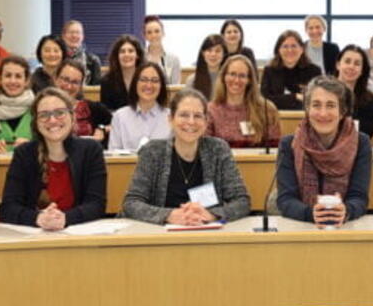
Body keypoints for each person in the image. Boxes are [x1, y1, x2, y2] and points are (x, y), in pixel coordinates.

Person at [121, 89, 250, 225]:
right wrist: (169, 215)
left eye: (198, 116)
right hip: (161, 236)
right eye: (184, 115)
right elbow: (131, 203)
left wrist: (212, 215)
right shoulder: (153, 152)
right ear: (171, 119)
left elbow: (242, 201)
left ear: (206, 121)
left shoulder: (218, 149)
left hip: (206, 234)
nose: (191, 122)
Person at [0, 87, 107, 229]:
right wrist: (39, 218)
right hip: (33, 239)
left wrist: (65, 218)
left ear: (72, 117)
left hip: (77, 238)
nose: (52, 120)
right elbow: (8, 207)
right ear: (36, 122)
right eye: (44, 115)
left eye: (59, 113)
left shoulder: (91, 150)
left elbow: (96, 205)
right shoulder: (23, 154)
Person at [276, 76, 372, 227]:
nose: (323, 113)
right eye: (316, 105)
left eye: (331, 105)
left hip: (344, 227)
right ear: (307, 109)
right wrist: (311, 214)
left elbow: (359, 197)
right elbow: (285, 199)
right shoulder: (289, 144)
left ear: (342, 111)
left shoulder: (361, 143)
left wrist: (345, 211)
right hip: (301, 226)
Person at [207, 55, 280, 148]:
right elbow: (206, 150)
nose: (236, 80)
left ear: (249, 80)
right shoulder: (210, 110)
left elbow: (275, 148)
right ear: (223, 77)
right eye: (232, 74)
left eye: (242, 76)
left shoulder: (267, 109)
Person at [108, 62, 170, 152]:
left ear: (161, 86)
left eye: (155, 80)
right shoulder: (120, 117)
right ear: (135, 83)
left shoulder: (171, 117)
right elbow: (113, 156)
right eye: (143, 80)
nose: (149, 85)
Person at [261, 30, 321, 111]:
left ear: (302, 49)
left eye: (294, 46)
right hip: (275, 117)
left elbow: (316, 100)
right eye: (285, 46)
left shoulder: (314, 71)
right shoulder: (269, 70)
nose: (290, 50)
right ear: (278, 50)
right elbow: (264, 100)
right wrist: (295, 97)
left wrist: (279, 99)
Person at [54, 60, 111, 144]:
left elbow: (119, 124)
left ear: (80, 86)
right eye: (65, 79)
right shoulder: (42, 108)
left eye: (75, 82)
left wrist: (102, 129)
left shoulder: (93, 108)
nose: (69, 86)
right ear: (56, 79)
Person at [334, 45, 373, 138]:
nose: (351, 67)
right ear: (338, 65)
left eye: (357, 64)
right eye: (347, 61)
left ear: (362, 70)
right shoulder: (322, 93)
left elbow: (367, 132)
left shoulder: (370, 100)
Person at [100, 34, 145, 111]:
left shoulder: (146, 79)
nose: (126, 54)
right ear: (117, 56)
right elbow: (107, 112)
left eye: (130, 51)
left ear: (137, 55)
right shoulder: (107, 81)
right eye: (122, 51)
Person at [185, 34, 227, 100]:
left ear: (224, 54)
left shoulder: (228, 79)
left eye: (217, 51)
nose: (213, 54)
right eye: (209, 50)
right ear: (203, 53)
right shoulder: (192, 80)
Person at [61, 20, 102, 85]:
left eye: (78, 33)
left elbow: (96, 89)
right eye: (71, 32)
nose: (74, 36)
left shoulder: (93, 61)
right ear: (63, 36)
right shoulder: (57, 58)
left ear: (82, 36)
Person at [144, 15, 181, 84]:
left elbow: (175, 88)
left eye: (157, 31)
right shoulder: (139, 57)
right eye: (149, 32)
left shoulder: (174, 59)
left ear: (163, 33)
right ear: (145, 36)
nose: (153, 35)